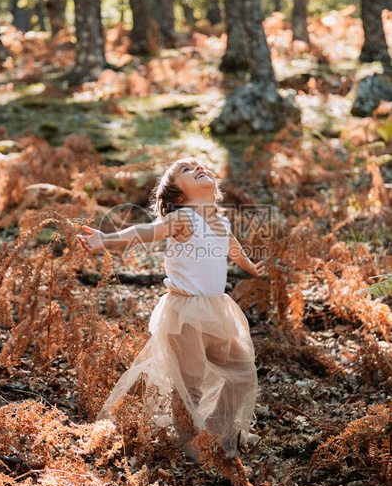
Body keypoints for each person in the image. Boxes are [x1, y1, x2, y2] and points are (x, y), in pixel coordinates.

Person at [77, 157, 266, 460]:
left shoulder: (220, 220)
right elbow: (144, 231)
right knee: (189, 385)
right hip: (185, 314)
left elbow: (232, 247)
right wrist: (105, 240)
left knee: (242, 372)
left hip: (216, 310)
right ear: (179, 197)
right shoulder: (183, 219)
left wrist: (249, 266)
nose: (199, 168)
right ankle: (191, 445)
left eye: (199, 165)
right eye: (187, 171)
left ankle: (215, 431)